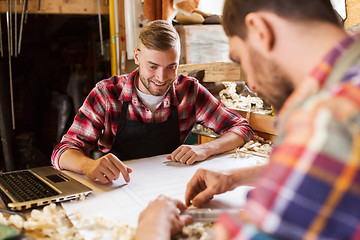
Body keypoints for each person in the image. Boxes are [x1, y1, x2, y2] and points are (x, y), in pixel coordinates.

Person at [135, 0, 360, 239]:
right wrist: (235, 178)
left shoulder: (328, 117)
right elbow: (323, 170)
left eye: (241, 59)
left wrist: (152, 227)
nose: (251, 84)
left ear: (260, 31)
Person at [51, 20, 253, 184]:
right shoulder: (107, 94)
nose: (162, 77)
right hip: (117, 185)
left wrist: (205, 149)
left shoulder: (189, 91)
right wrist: (88, 166)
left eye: (171, 67)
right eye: (153, 66)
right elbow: (62, 152)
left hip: (169, 184)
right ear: (137, 56)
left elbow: (242, 128)